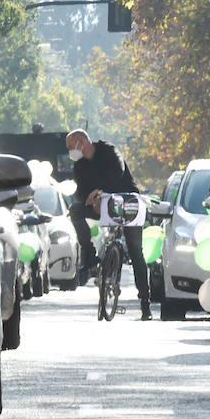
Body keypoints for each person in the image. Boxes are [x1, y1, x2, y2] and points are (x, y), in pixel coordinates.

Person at [66, 128, 152, 320]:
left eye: (71, 146)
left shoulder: (108, 151)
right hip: (101, 205)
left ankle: (145, 303)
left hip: (126, 201)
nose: (70, 151)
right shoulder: (79, 165)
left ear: (82, 142)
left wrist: (100, 192)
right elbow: (81, 190)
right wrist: (92, 201)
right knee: (76, 211)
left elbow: (118, 171)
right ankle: (90, 255)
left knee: (136, 250)